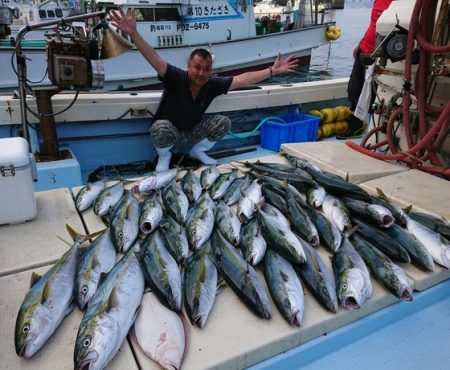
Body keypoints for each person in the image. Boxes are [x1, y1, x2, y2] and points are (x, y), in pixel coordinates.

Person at [110, 8, 299, 171]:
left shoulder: (212, 84)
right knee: (160, 128)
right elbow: (155, 59)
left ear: (211, 70)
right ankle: (165, 157)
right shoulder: (176, 77)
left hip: (192, 133)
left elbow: (242, 79)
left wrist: (272, 71)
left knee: (223, 122)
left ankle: (198, 151)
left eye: (206, 69)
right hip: (170, 133)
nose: (201, 73)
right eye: (197, 67)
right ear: (189, 66)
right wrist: (134, 33)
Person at [345, 0, 393, 137]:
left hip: (377, 54)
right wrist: (360, 43)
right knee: (355, 89)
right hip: (364, 48)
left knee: (371, 95)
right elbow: (373, 23)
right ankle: (354, 126)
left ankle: (367, 128)